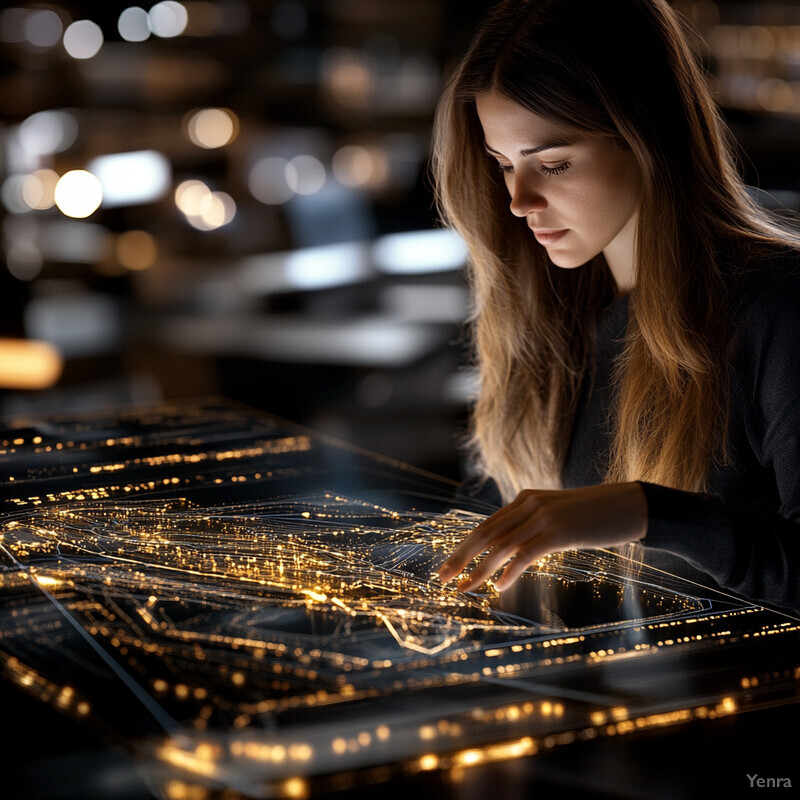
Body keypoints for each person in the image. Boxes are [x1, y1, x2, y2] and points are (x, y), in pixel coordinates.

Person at [431, 0, 800, 611]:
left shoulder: (779, 308)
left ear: (646, 134)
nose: (519, 200)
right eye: (503, 165)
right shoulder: (560, 316)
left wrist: (649, 510)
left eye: (553, 163)